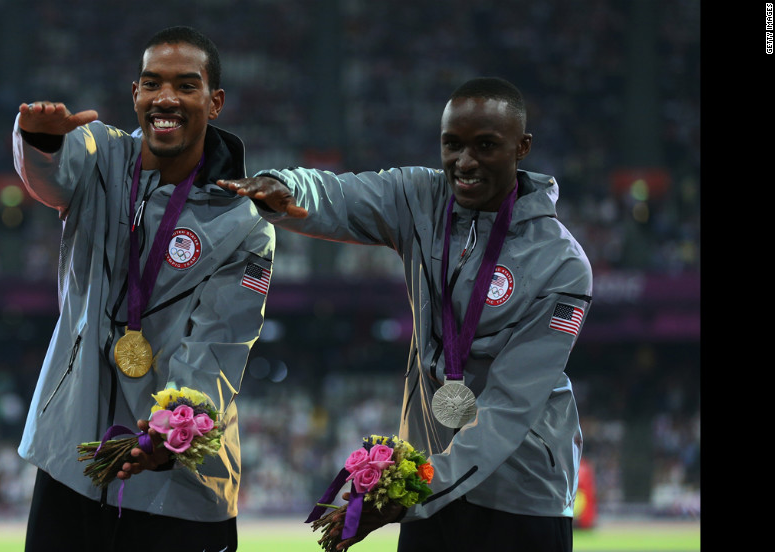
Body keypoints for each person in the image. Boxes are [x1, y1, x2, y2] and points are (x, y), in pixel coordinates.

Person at [218, 77, 591, 552]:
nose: (465, 162)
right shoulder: (421, 199)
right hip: (429, 484)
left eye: (486, 146)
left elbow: (511, 407)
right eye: (452, 144)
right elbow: (340, 193)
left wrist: (418, 491)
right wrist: (285, 185)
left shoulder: (561, 264)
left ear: (522, 147)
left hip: (519, 496)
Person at [12, 26, 275, 552]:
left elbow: (219, 346)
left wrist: (173, 432)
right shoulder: (99, 156)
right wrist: (40, 142)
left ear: (215, 101)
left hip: (178, 481)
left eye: (185, 85)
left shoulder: (243, 222)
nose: (166, 99)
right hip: (73, 461)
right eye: (152, 83)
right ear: (135, 93)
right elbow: (51, 175)